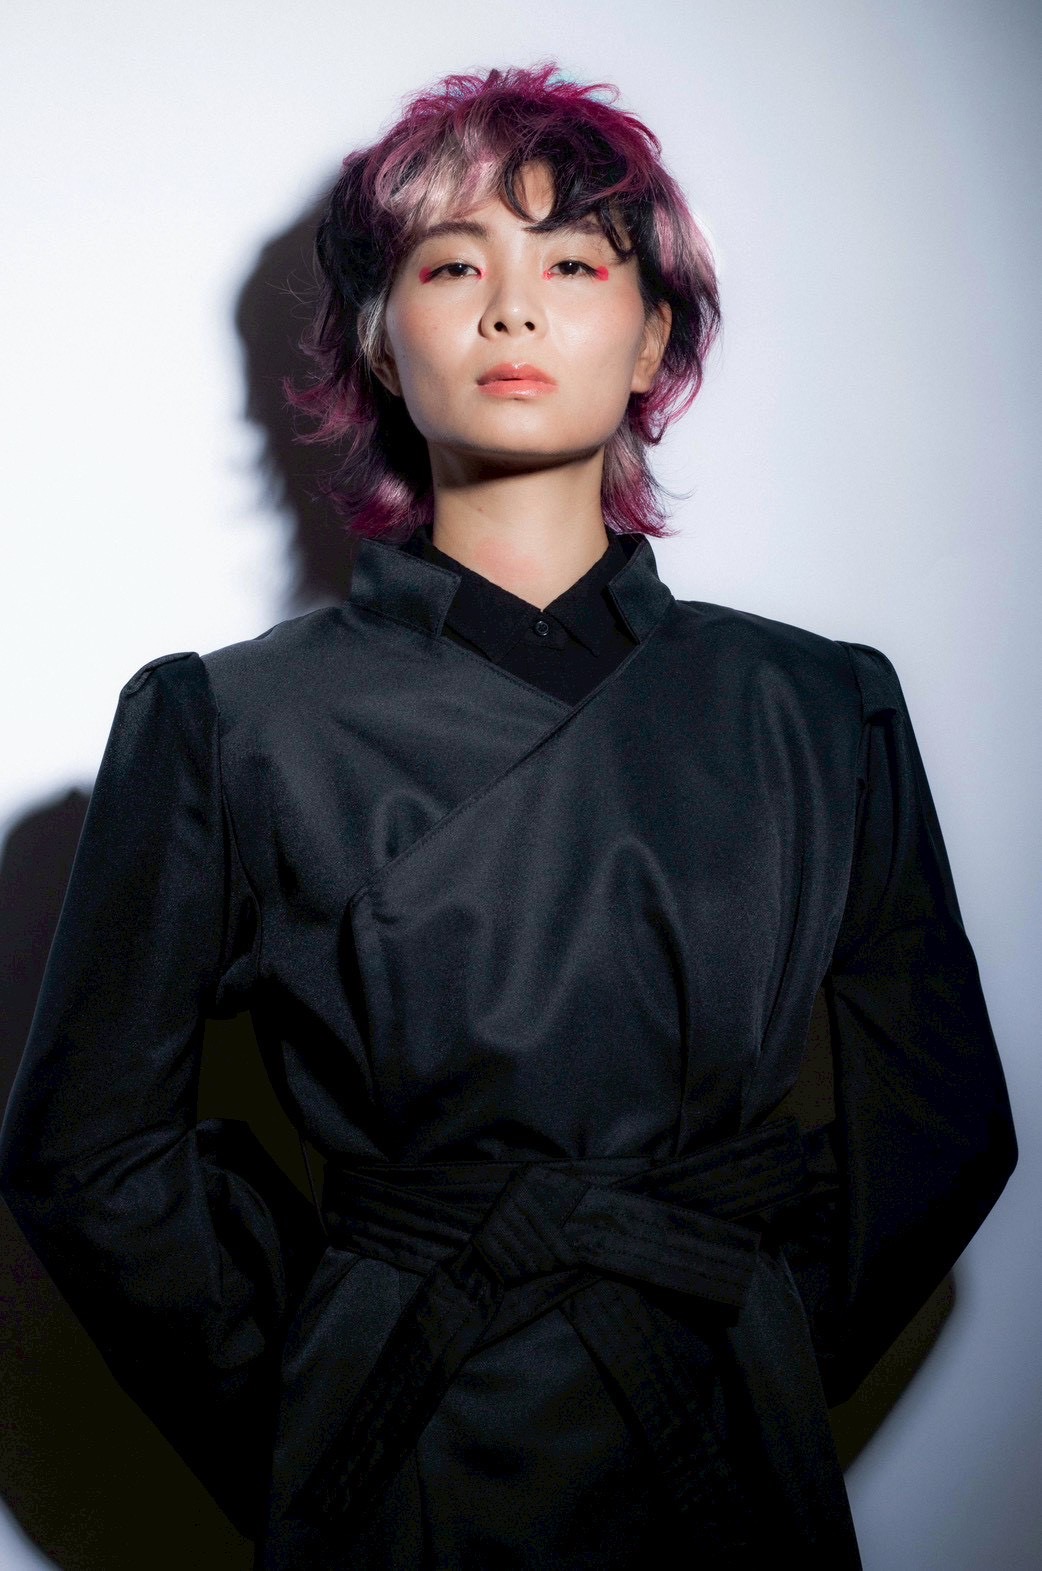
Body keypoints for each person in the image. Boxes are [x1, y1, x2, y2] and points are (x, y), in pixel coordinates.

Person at [0, 61, 1018, 1571]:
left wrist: (739, 1341)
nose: (513, 311)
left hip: (723, 1448)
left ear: (654, 332)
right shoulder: (226, 722)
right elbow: (89, 1159)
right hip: (394, 1459)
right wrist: (326, 1401)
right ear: (376, 334)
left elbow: (942, 1128)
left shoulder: (820, 709)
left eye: (574, 263)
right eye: (452, 265)